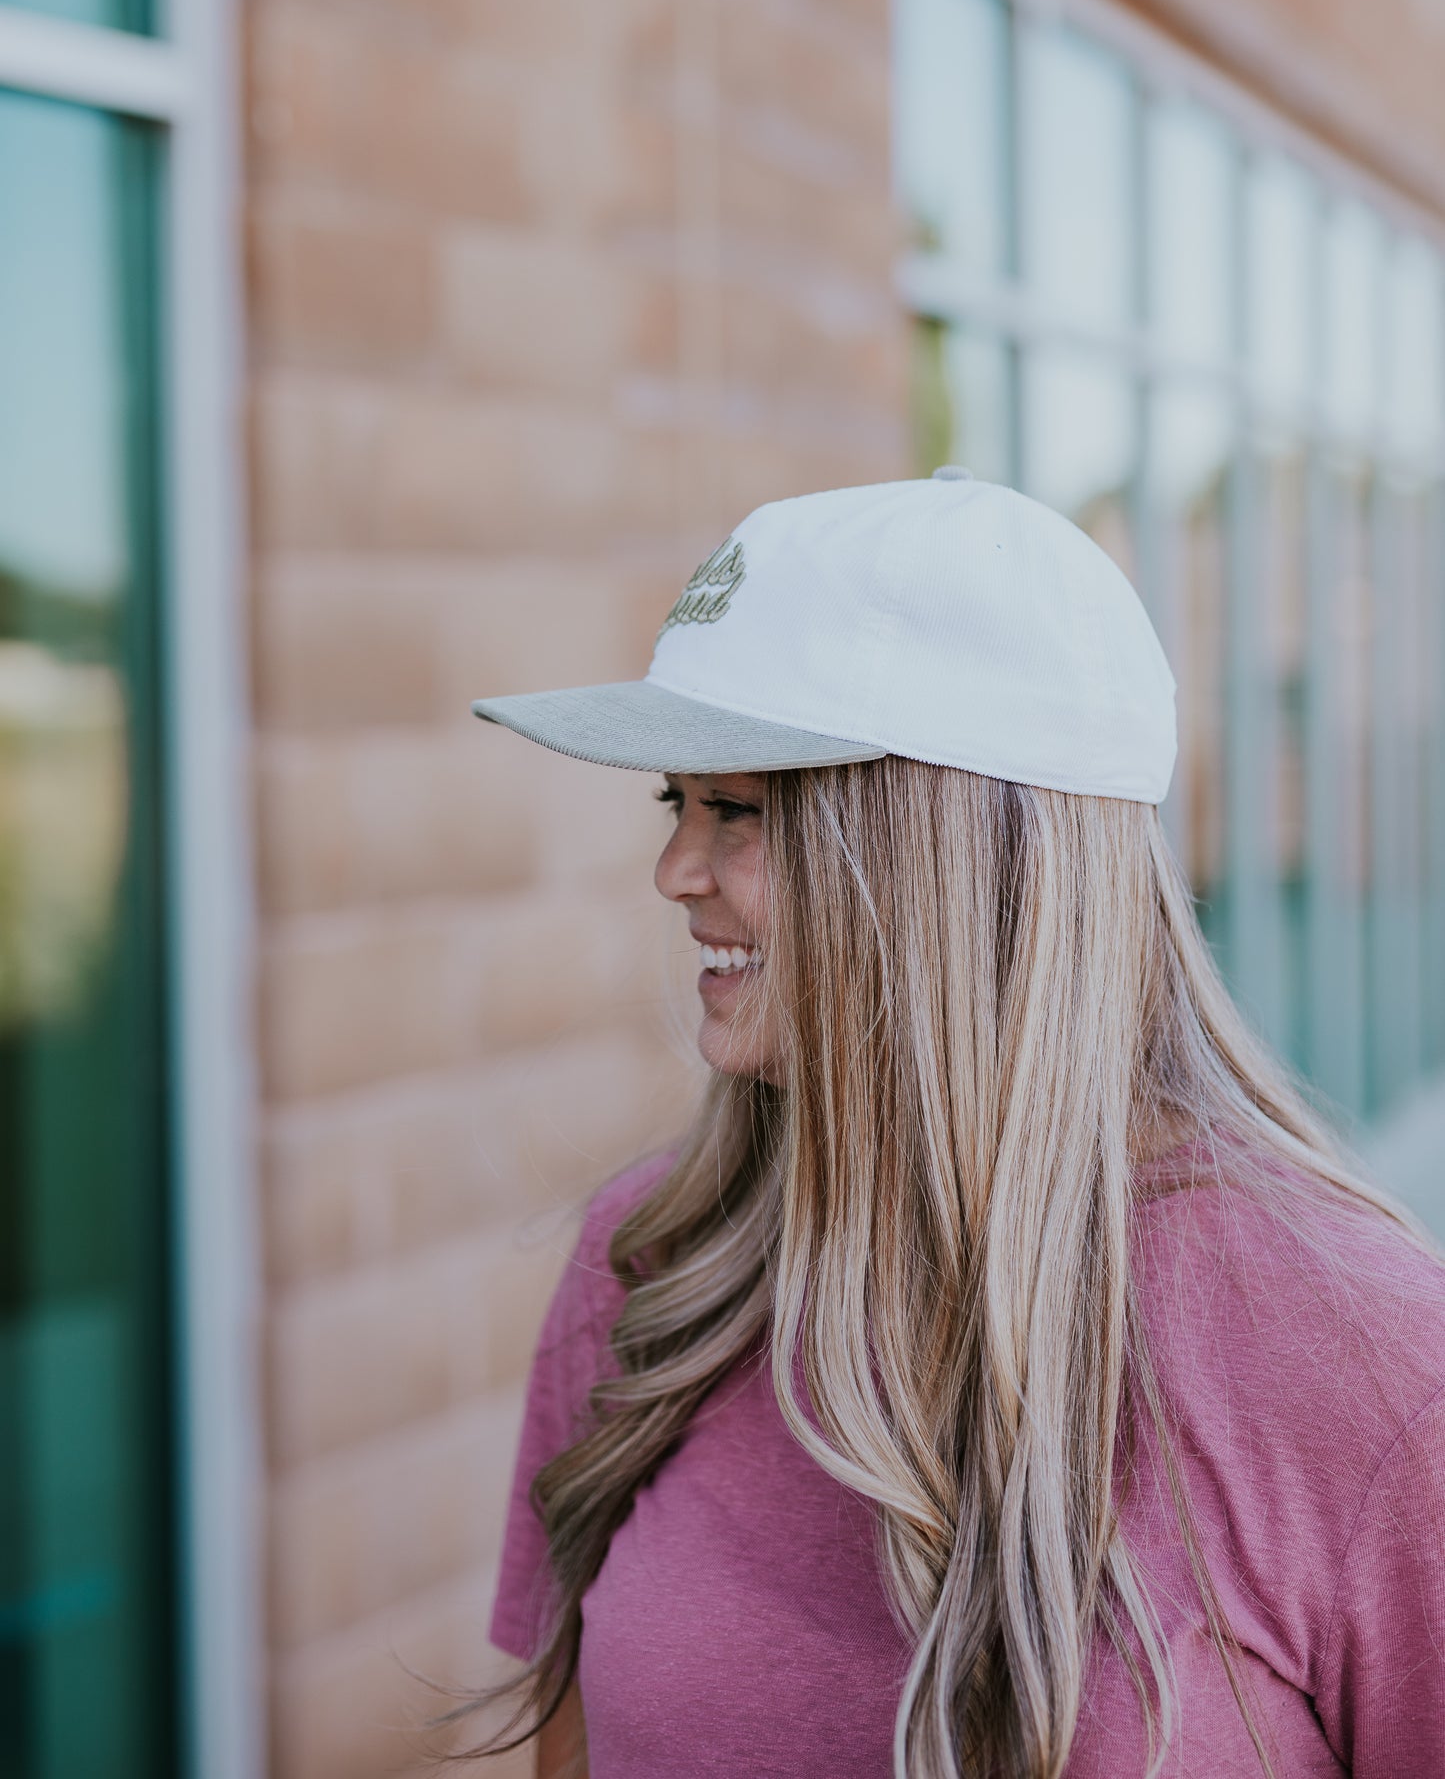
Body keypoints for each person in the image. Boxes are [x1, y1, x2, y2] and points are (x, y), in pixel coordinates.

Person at [435, 474, 1445, 1779]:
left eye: (735, 811)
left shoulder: (1356, 1351)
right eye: (672, 803)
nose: (675, 872)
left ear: (945, 854)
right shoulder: (648, 1267)